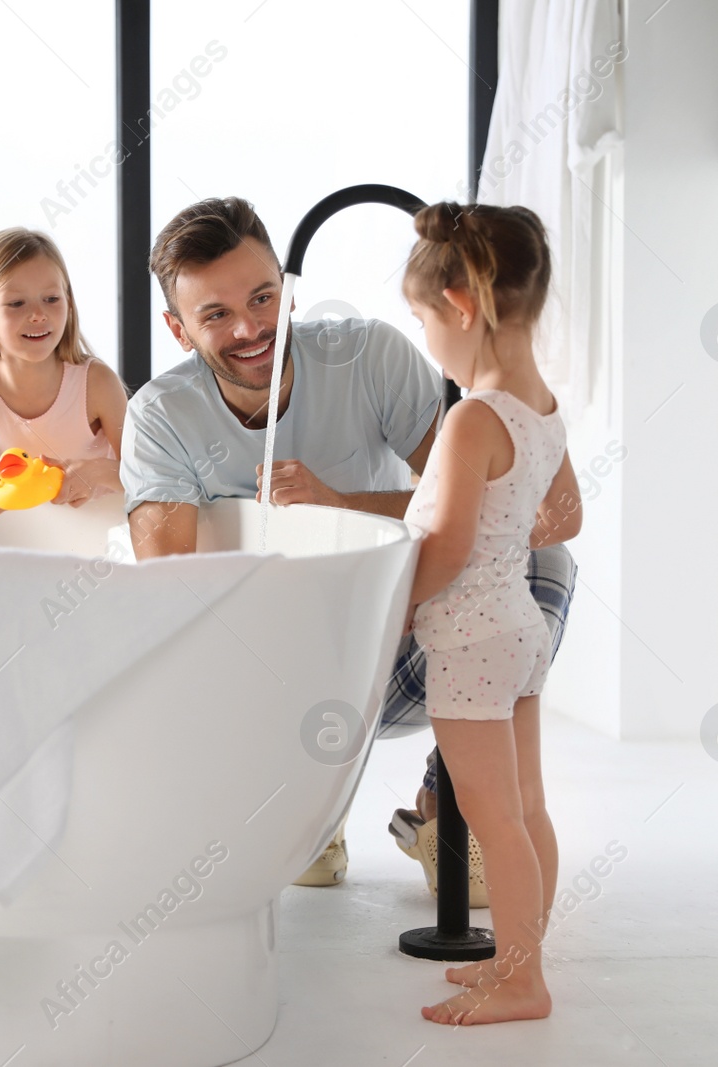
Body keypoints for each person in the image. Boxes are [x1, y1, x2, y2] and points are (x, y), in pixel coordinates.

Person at [120, 196, 578, 896]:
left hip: (396, 643)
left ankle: (445, 805)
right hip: (270, 674)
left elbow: (499, 506)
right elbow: (173, 592)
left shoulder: (370, 356)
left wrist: (341, 508)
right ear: (178, 330)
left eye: (263, 297)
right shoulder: (159, 419)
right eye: (215, 314)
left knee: (542, 565)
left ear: (287, 288)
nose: (250, 327)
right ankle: (309, 799)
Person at [401, 201, 579, 1025]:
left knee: (492, 818)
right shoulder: (539, 402)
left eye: (422, 318)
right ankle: (521, 960)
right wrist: (524, 530)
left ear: (461, 307)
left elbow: (445, 543)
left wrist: (392, 614)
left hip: (470, 640)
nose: (425, 336)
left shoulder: (473, 416)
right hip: (521, 632)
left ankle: (520, 981)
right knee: (527, 808)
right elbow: (566, 511)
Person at [0, 228, 126, 512]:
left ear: (68, 303)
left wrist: (98, 473)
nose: (38, 314)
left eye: (51, 299)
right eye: (17, 303)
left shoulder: (96, 382)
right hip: (31, 526)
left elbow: (145, 471)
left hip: (103, 524)